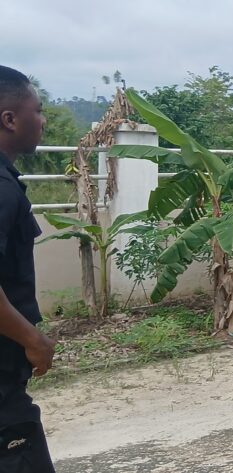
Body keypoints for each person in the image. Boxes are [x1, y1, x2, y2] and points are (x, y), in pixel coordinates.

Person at [0, 65, 57, 472]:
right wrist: (33, 339)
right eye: (37, 110)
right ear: (9, 119)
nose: (43, 120)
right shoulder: (2, 189)